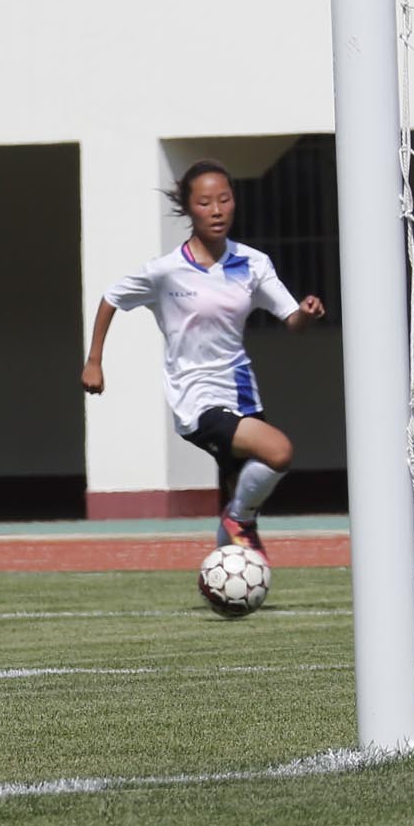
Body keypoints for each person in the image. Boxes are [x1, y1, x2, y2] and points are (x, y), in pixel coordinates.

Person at [81, 160, 326, 560]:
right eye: (205, 202)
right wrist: (94, 360)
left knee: (240, 493)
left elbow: (291, 320)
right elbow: (112, 297)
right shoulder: (166, 271)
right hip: (195, 398)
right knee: (278, 453)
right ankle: (238, 523)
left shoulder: (253, 263)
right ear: (188, 208)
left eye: (225, 200)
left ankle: (227, 574)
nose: (217, 210)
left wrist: (306, 312)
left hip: (243, 393)